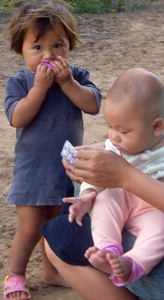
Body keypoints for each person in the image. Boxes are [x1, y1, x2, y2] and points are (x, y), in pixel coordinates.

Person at [40, 69, 164, 300]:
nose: (113, 136)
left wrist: (124, 175)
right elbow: (103, 168)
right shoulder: (120, 141)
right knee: (104, 200)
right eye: (110, 127)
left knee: (161, 230)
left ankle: (134, 264)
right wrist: (88, 195)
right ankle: (107, 250)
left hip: (156, 209)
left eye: (123, 130)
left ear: (157, 127)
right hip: (124, 201)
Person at [3, 1, 101, 299]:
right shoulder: (20, 81)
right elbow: (17, 117)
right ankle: (16, 275)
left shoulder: (77, 75)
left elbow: (93, 105)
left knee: (55, 225)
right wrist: (39, 89)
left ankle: (51, 271)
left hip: (67, 169)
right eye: (37, 48)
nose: (49, 55)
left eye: (58, 45)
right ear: (20, 50)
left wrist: (68, 82)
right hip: (32, 170)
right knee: (31, 229)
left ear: (69, 45)